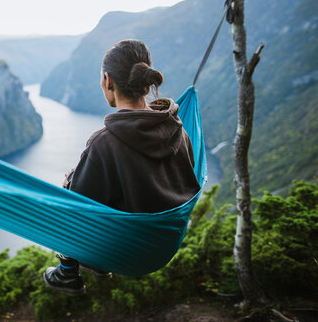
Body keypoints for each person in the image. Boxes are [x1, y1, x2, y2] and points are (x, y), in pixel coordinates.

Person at [43, 39, 201, 295]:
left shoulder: (104, 143)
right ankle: (98, 267)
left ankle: (68, 272)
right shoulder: (178, 130)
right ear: (146, 80)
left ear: (108, 80)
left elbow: (78, 209)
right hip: (166, 244)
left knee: (66, 195)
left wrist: (71, 179)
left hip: (125, 249)